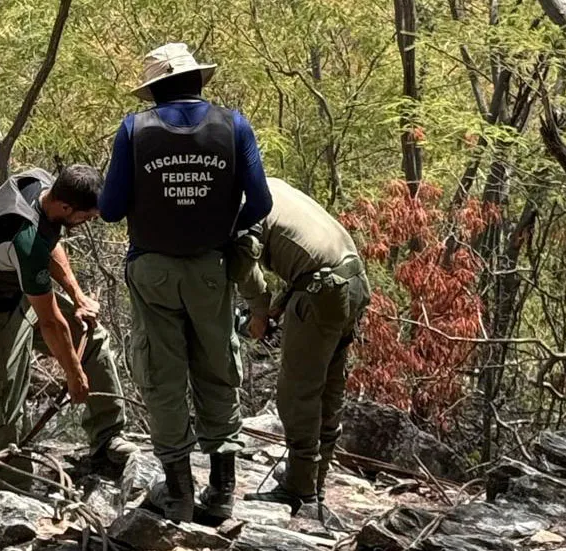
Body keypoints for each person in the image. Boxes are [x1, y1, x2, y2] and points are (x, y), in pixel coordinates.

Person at [99, 43, 272, 522]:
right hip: (211, 269)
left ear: (154, 89)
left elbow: (111, 209)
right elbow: (259, 202)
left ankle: (178, 493)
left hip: (152, 270)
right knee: (217, 366)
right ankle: (222, 491)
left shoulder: (134, 130)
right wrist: (221, 227)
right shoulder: (234, 126)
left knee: (162, 374)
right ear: (198, 81)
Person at [0, 166, 138, 489]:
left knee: (90, 336)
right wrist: (74, 374)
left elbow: (50, 242)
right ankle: (12, 491)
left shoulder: (43, 185)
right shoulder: (23, 238)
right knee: (2, 404)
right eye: (88, 216)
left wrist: (78, 296)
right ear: (67, 208)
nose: (89, 221)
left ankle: (107, 438)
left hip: (18, 288)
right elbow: (52, 323)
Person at [231, 178, 370, 515]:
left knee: (297, 394)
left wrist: (261, 310)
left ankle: (300, 488)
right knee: (328, 389)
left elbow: (242, 262)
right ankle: (314, 481)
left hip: (322, 292)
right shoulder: (273, 186)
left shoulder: (242, 202)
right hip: (353, 283)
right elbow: (307, 256)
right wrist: (280, 304)